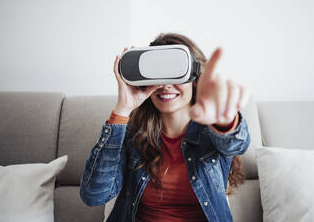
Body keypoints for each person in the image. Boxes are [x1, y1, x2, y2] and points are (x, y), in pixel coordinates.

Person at [80, 33, 251, 222]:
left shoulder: (212, 131)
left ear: (195, 78)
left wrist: (224, 121)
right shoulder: (131, 135)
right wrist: (123, 109)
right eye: (158, 73)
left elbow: (236, 144)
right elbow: (94, 196)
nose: (165, 85)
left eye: (176, 72)